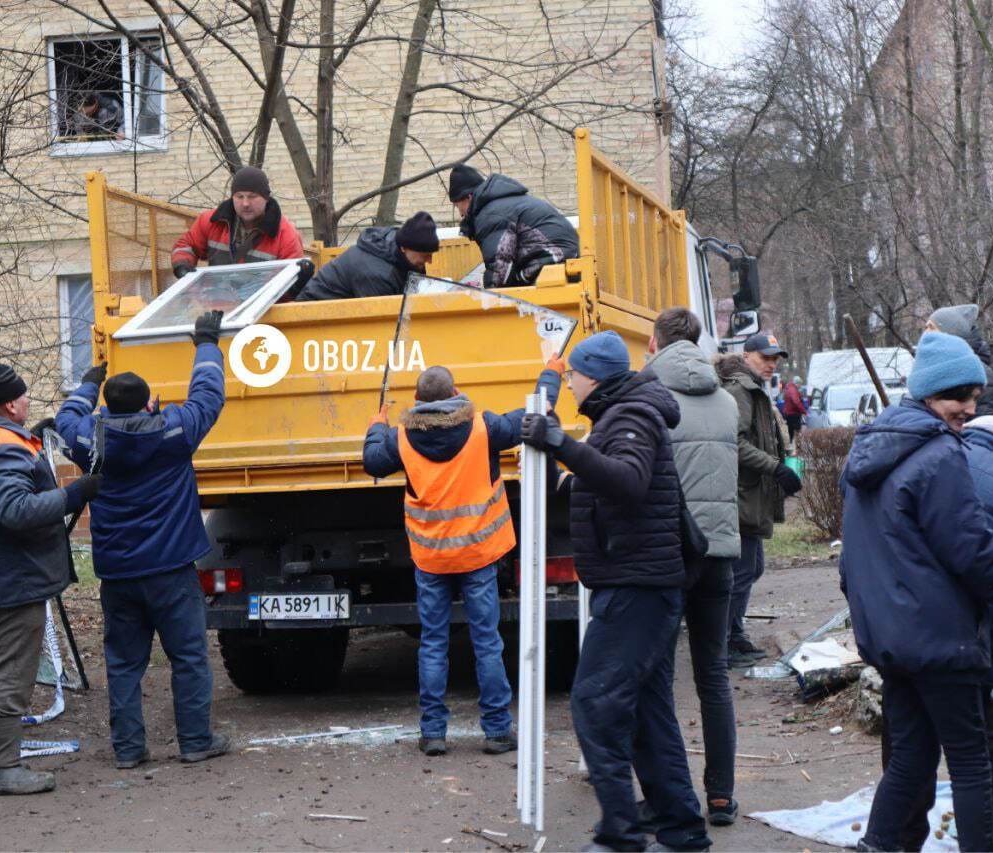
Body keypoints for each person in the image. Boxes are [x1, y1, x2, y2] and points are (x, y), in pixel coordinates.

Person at [840, 331, 993, 852]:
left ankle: (879, 846)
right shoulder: (938, 455)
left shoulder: (871, 450)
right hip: (940, 640)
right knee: (972, 762)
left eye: (974, 399)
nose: (968, 409)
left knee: (910, 756)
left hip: (891, 636)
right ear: (930, 395)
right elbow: (971, 549)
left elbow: (858, 558)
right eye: (959, 398)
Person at [522, 331, 711, 852]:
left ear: (595, 377)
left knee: (594, 702)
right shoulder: (622, 415)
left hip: (637, 587)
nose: (572, 386)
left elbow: (627, 480)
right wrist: (572, 464)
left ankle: (620, 835)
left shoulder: (631, 416)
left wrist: (562, 445)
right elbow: (616, 480)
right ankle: (680, 826)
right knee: (648, 711)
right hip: (639, 583)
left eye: (575, 377)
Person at [55, 311, 230, 770]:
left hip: (118, 574)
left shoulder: (89, 441)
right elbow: (209, 395)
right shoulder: (173, 432)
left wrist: (91, 380)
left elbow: (66, 415)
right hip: (172, 571)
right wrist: (206, 342)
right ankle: (195, 742)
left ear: (107, 410)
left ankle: (129, 751)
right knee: (189, 657)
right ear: (150, 404)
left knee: (124, 664)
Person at [362, 358, 563, 756]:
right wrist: (551, 373)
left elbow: (372, 461)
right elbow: (536, 414)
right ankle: (497, 732)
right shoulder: (483, 428)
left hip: (431, 557)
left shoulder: (400, 438)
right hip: (478, 553)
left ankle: (434, 733)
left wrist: (376, 425)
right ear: (456, 395)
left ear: (418, 400)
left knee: (433, 643)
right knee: (487, 642)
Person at [0, 365, 100, 795]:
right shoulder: (2, 448)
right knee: (12, 676)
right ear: (10, 403)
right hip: (12, 580)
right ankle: (0, 768)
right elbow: (14, 510)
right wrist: (74, 494)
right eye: (25, 396)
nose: (29, 400)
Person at [645, 307, 742, 827]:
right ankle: (722, 796)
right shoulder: (726, 401)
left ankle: (670, 795)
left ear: (656, 340)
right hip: (720, 555)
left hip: (668, 554)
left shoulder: (649, 397)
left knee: (657, 679)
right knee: (713, 676)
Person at [715, 333, 801, 668]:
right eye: (765, 357)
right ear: (747, 355)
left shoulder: (750, 386)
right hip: (741, 495)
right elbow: (733, 442)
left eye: (775, 358)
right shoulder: (740, 388)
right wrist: (775, 468)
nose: (772, 364)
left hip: (750, 494)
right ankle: (725, 642)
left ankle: (733, 636)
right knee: (740, 572)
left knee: (752, 567)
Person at [448, 164, 579, 288]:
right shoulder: (507, 204)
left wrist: (487, 303)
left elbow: (500, 271)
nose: (460, 213)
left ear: (469, 197)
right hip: (568, 264)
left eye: (457, 205)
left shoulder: (491, 214)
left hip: (552, 265)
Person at [171, 166, 305, 276]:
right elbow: (186, 245)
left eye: (252, 196)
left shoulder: (286, 235)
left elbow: (290, 283)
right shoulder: (211, 222)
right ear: (232, 197)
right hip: (217, 302)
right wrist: (182, 266)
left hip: (265, 306)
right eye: (239, 196)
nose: (245, 203)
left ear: (266, 198)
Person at [294, 212, 438, 301]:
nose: (429, 261)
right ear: (404, 247)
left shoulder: (397, 253)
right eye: (425, 255)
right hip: (311, 319)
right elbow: (381, 324)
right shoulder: (377, 274)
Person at [926, 304, 993, 417]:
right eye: (925, 327)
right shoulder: (933, 369)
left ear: (949, 333)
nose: (925, 333)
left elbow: (981, 428)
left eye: (931, 327)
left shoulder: (980, 375)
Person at [780, 375, 808, 442]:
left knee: (790, 432)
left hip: (789, 414)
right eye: (800, 384)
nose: (800, 386)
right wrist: (804, 411)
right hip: (793, 414)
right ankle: (796, 447)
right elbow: (796, 402)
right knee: (797, 432)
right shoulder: (793, 390)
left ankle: (791, 446)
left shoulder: (789, 388)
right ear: (797, 383)